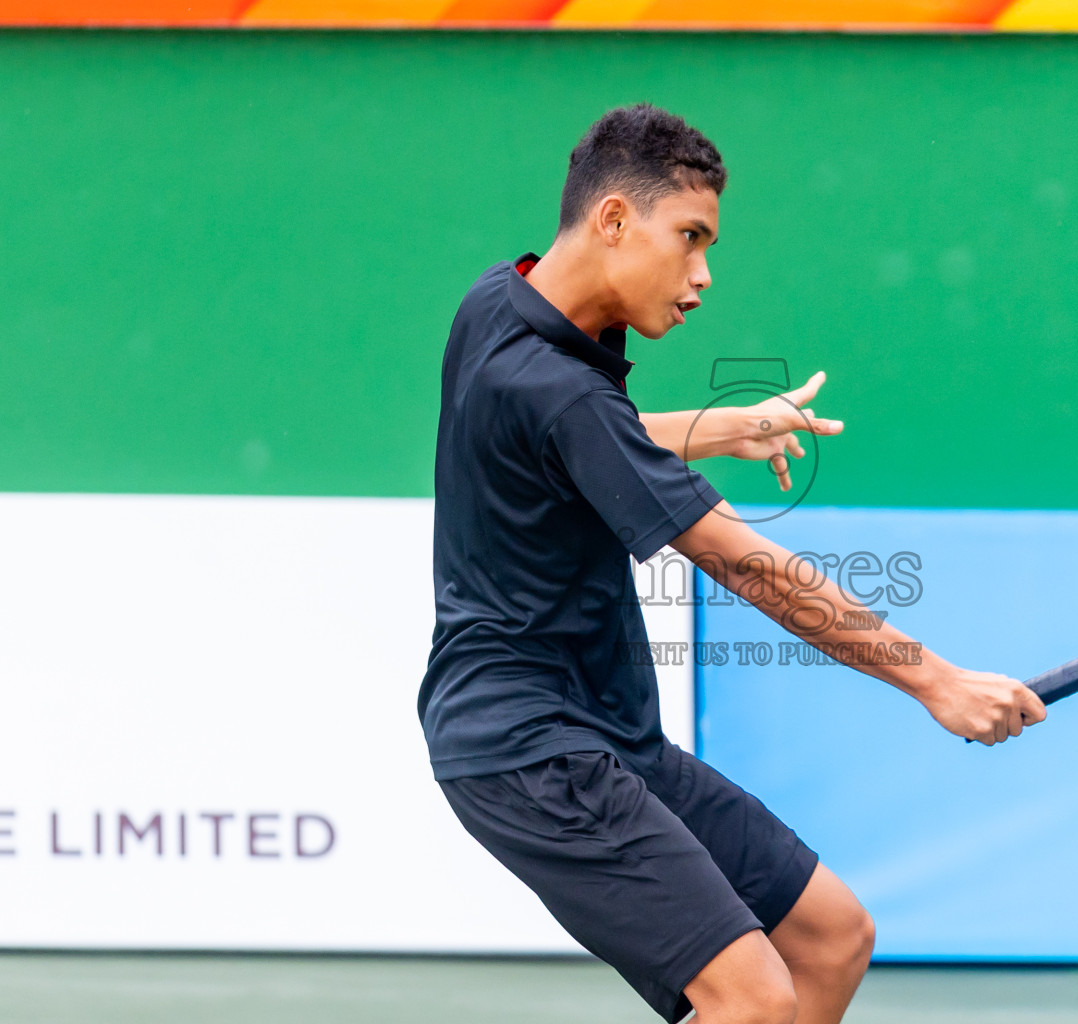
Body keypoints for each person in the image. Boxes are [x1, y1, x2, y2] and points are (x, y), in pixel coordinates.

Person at [419, 102, 1045, 1024]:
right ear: (615, 221)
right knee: (750, 999)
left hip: (608, 734)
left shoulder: (500, 302)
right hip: (528, 745)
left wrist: (722, 429)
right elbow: (742, 562)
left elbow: (578, 442)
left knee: (830, 938)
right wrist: (937, 681)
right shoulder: (555, 385)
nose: (703, 276)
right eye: (691, 238)